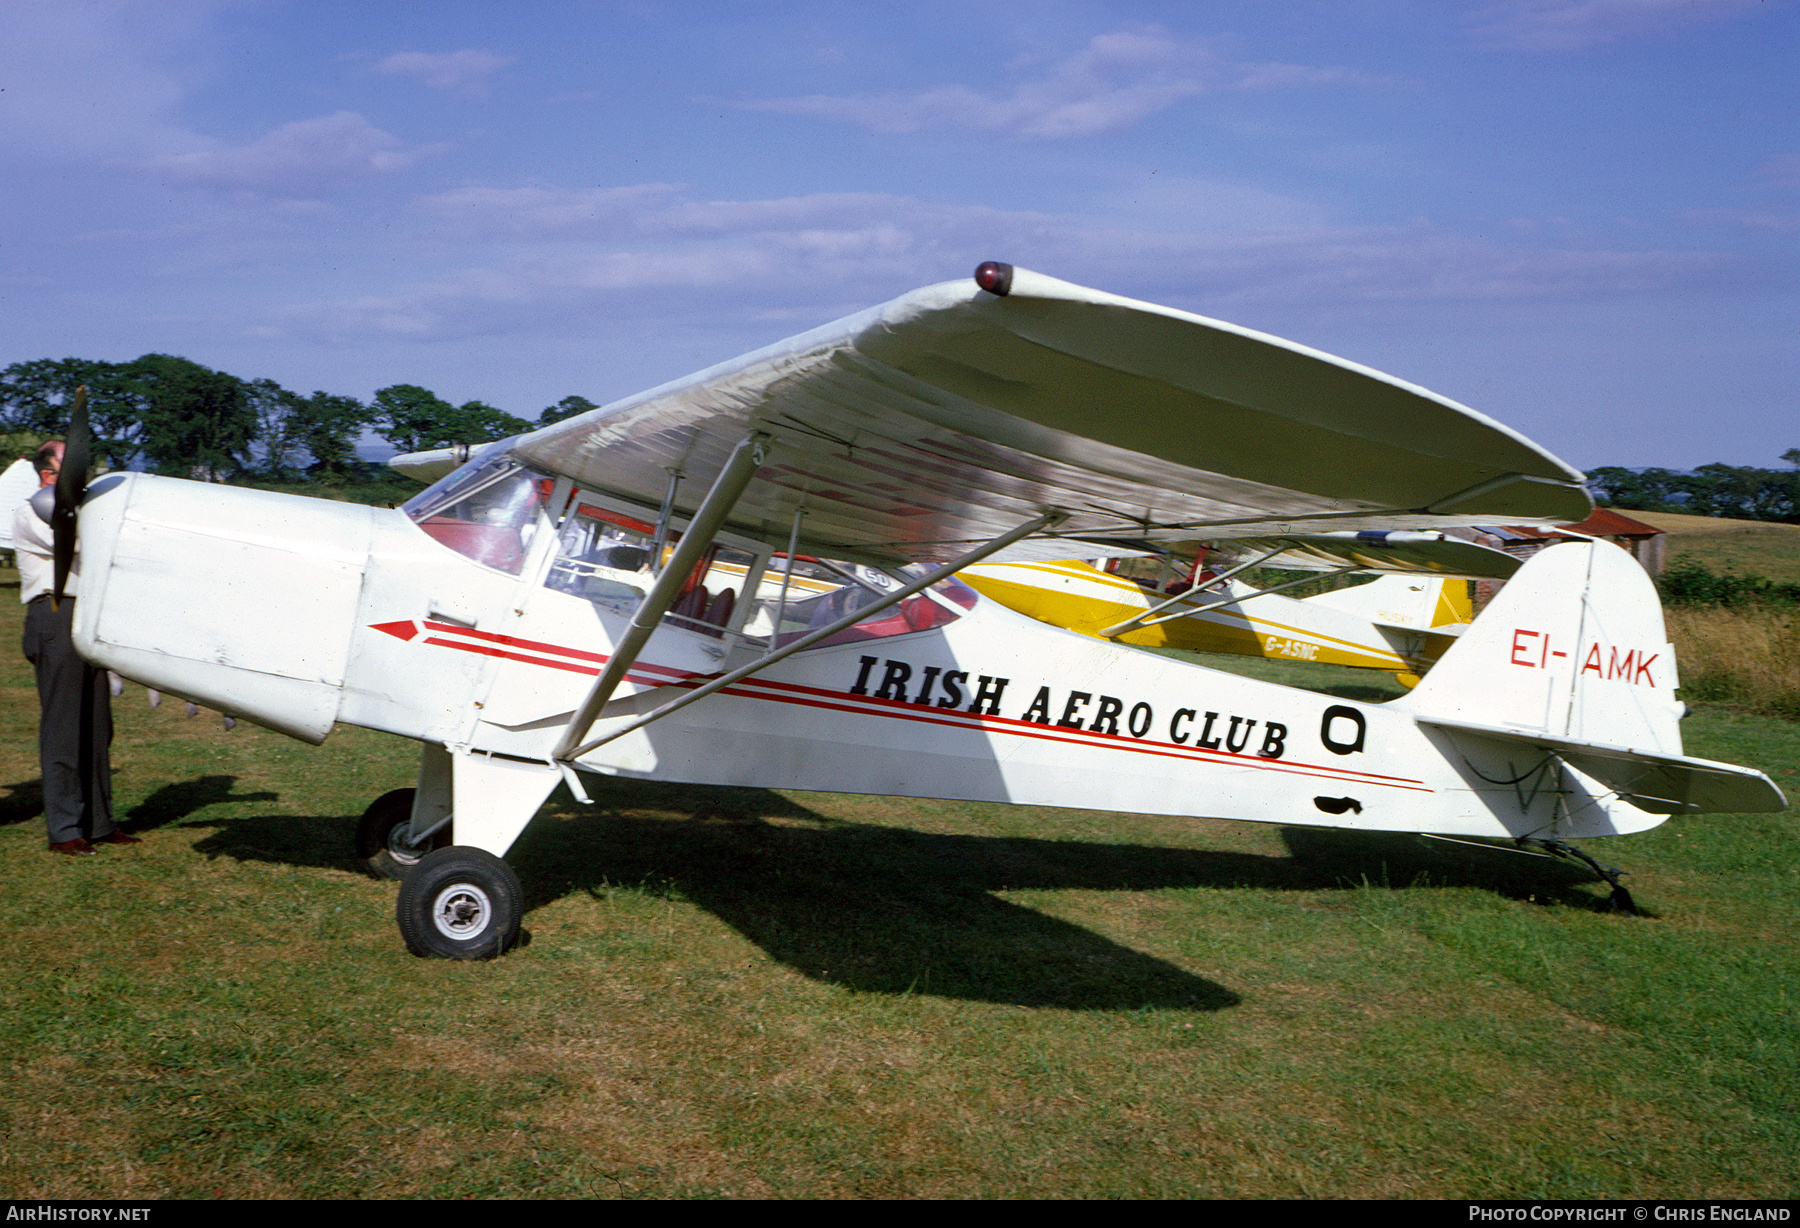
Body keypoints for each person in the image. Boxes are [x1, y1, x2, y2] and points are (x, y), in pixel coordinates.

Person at [13, 440, 134, 856]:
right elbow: (85, 546)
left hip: (89, 617)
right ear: (49, 474)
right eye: (71, 465)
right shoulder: (35, 509)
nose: (84, 470)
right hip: (55, 612)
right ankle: (64, 829)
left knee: (98, 726)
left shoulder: (79, 509)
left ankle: (100, 823)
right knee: (64, 728)